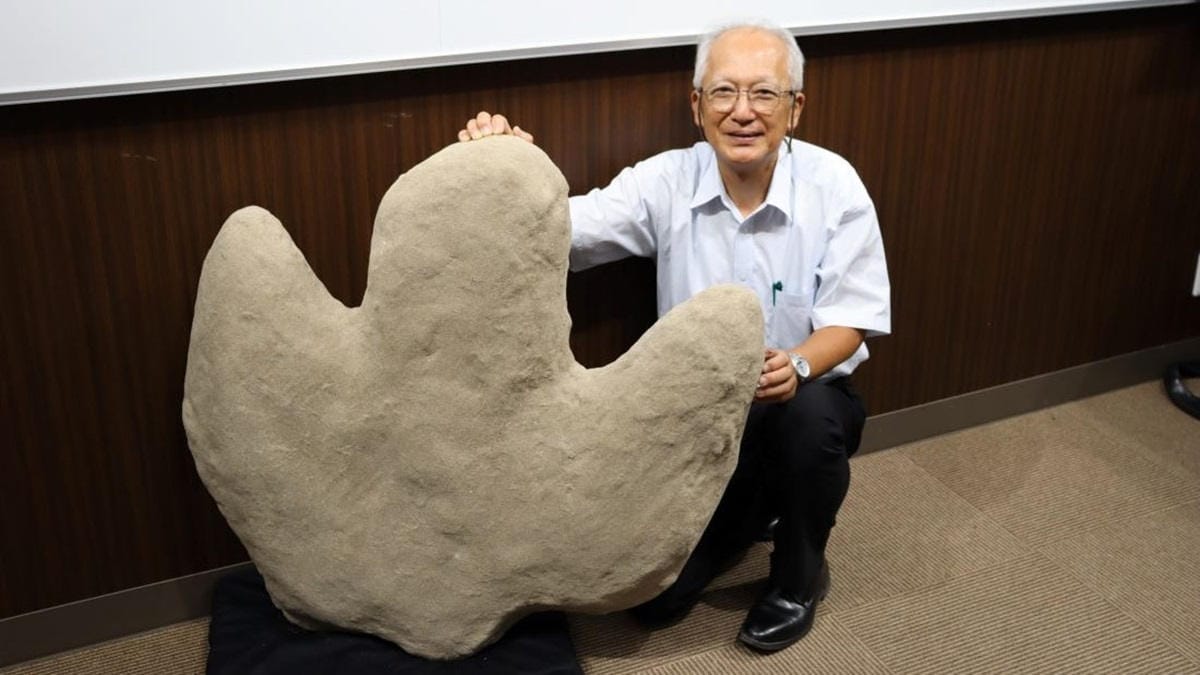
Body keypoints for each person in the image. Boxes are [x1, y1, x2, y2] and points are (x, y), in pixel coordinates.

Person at [458, 20, 890, 652]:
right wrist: (505, 162)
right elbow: (564, 229)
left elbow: (851, 321)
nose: (742, 112)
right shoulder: (665, 180)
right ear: (696, 106)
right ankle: (757, 507)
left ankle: (799, 578)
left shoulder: (836, 186)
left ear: (796, 108)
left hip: (801, 399)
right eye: (723, 93)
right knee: (657, 604)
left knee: (813, 421)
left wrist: (794, 365)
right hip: (696, 423)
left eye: (764, 94)